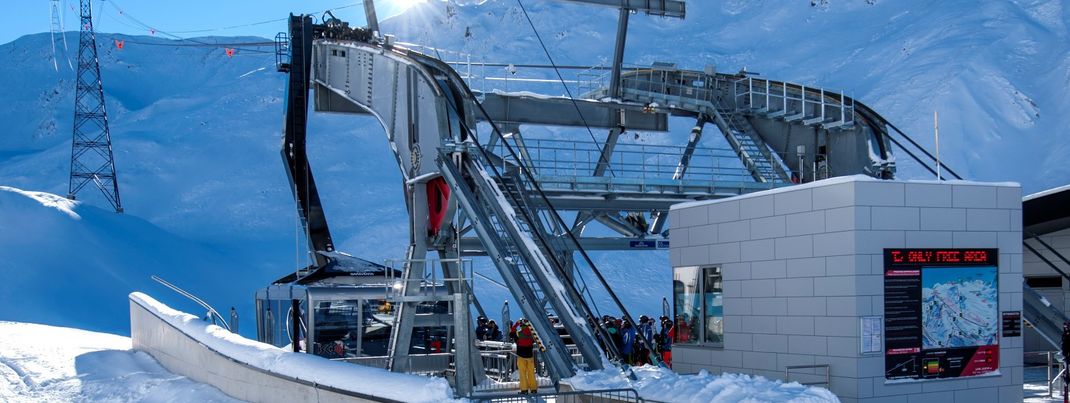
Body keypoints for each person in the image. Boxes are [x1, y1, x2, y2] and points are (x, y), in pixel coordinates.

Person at [511, 318, 539, 394]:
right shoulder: (532, 334)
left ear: (520, 326)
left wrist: (516, 323)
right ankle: (533, 389)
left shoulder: (518, 334)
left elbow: (512, 332)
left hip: (521, 356)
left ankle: (524, 390)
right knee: (531, 373)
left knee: (522, 373)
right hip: (530, 356)